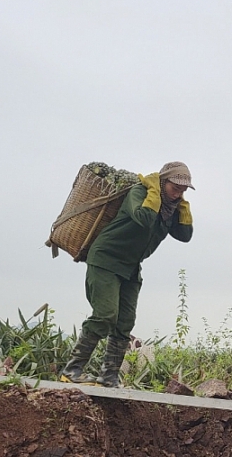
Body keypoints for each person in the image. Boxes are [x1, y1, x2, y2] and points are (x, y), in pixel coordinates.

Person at [60, 161, 194, 387]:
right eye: (175, 187)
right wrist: (153, 193)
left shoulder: (171, 207)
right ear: (162, 182)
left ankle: (108, 376)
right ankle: (72, 370)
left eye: (183, 189)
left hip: (131, 268)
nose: (179, 193)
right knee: (105, 315)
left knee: (124, 323)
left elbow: (184, 236)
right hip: (106, 259)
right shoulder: (140, 192)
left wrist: (183, 209)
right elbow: (143, 219)